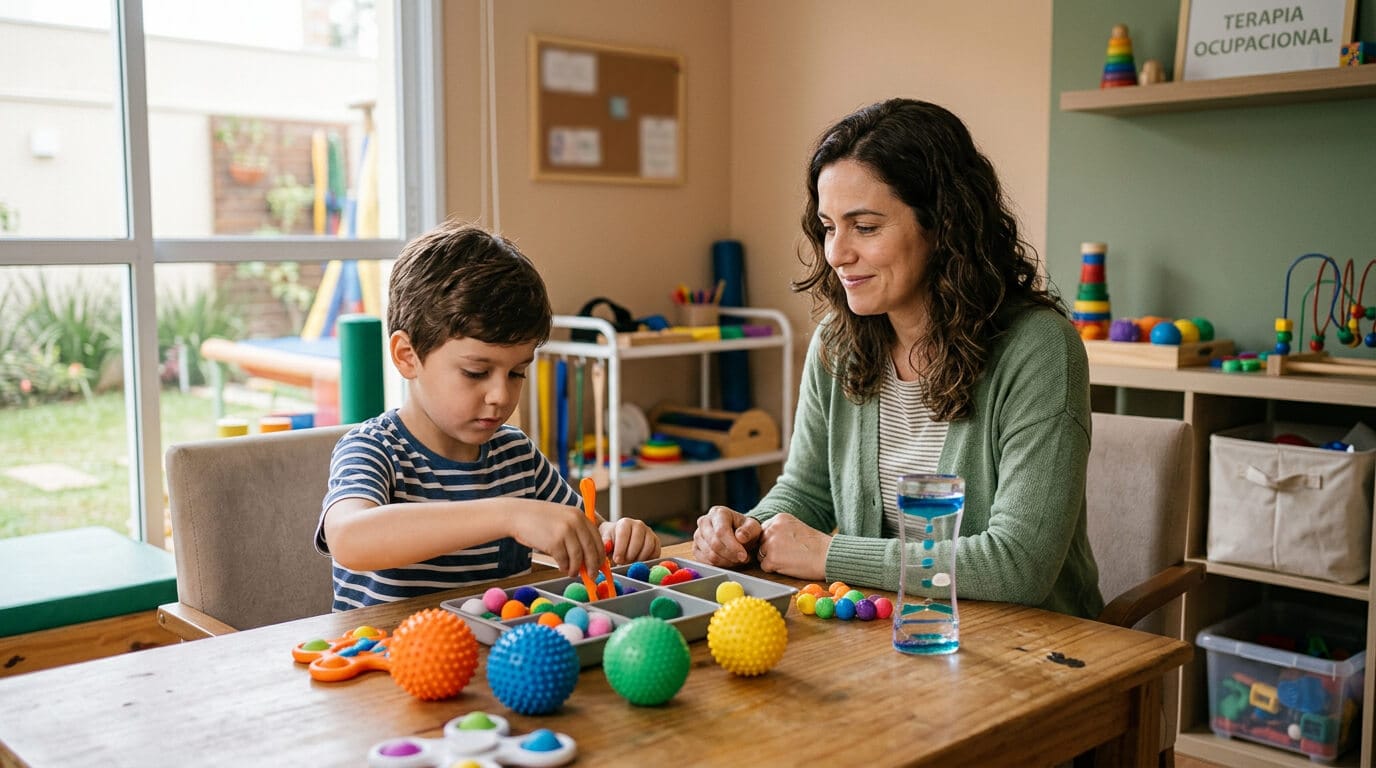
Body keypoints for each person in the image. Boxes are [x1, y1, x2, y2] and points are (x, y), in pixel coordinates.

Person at [692, 99, 1102, 618]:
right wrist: (746, 528)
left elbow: (1018, 564)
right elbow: (806, 490)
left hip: (1038, 649)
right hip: (892, 633)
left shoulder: (1040, 350)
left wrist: (829, 555)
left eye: (864, 227)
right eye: (827, 226)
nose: (836, 253)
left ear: (943, 226)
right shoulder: (836, 344)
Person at [317, 221, 661, 610]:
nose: (501, 396)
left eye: (517, 372)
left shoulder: (517, 455)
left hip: (497, 661)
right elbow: (348, 539)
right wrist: (509, 515)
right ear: (407, 356)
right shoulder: (373, 449)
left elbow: (586, 534)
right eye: (476, 372)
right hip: (390, 662)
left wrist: (618, 535)